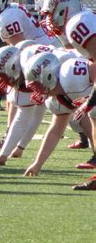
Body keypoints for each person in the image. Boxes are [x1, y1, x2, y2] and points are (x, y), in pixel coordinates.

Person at [38, 0, 96, 189]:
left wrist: (91, 99)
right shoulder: (81, 21)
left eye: (51, 14)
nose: (50, 20)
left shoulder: (77, 23)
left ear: (63, 8)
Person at [22, 52, 96, 186]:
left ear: (49, 76)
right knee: (85, 117)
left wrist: (91, 100)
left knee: (89, 115)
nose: (36, 91)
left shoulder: (71, 73)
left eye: (37, 85)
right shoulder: (55, 100)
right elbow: (56, 131)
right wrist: (38, 163)